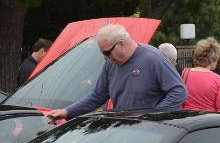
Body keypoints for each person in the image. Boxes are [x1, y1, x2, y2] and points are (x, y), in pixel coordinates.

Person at [46, 24, 187, 120]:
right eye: (103, 53)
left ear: (121, 44)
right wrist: (67, 111)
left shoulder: (154, 59)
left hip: (150, 136)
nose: (105, 57)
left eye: (107, 52)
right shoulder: (110, 64)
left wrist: (153, 117)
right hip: (121, 131)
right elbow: (97, 96)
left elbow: (179, 91)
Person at [181, 39, 220, 112]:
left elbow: (180, 100)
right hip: (208, 117)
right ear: (212, 59)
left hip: (188, 116)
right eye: (217, 59)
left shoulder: (185, 73)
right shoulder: (217, 79)